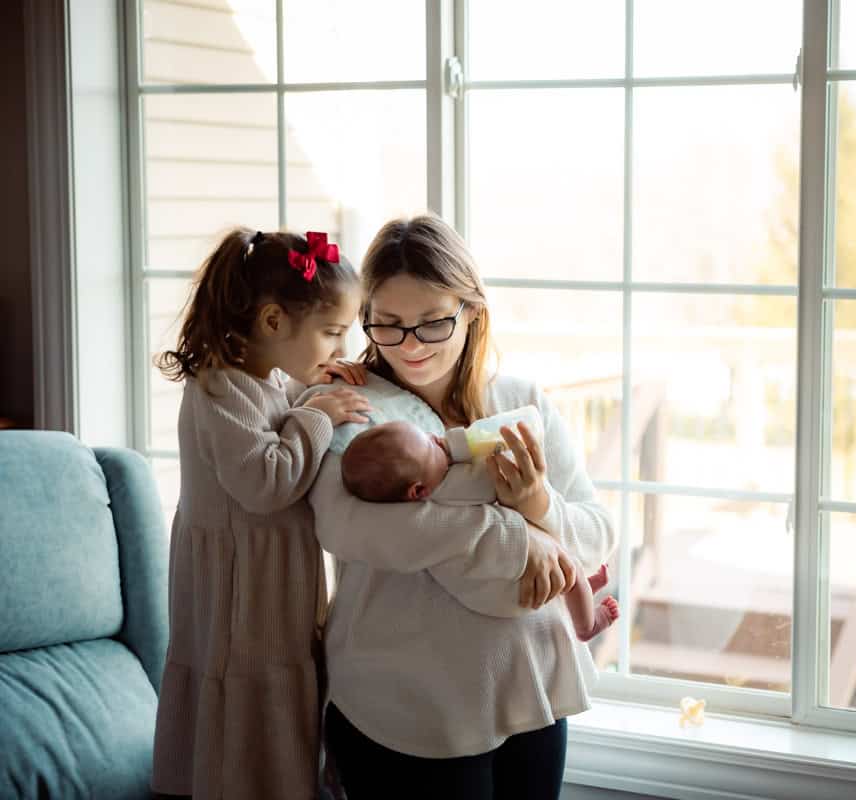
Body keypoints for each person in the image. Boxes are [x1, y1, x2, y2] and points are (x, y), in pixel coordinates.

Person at [308, 215, 617, 800]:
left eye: (433, 323)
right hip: (404, 703)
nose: (411, 346)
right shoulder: (344, 405)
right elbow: (350, 527)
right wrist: (519, 537)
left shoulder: (520, 401)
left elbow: (597, 532)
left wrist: (538, 503)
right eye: (389, 325)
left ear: (471, 311)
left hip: (531, 689)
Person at [150, 229, 371, 800]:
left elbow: (278, 421)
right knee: (246, 702)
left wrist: (311, 396)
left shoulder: (269, 380)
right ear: (273, 322)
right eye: (331, 333)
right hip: (238, 596)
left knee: (283, 688)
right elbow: (265, 480)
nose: (339, 348)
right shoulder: (219, 389)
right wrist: (318, 416)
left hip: (270, 579)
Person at [340, 418, 620, 642]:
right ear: (418, 490)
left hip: (485, 593)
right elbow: (493, 469)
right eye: (431, 445)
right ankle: (587, 624)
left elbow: (601, 529)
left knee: (561, 570)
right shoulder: (456, 486)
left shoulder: (427, 494)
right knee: (568, 568)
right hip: (506, 592)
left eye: (428, 434)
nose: (437, 438)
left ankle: (573, 592)